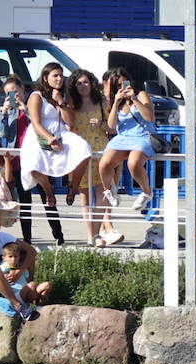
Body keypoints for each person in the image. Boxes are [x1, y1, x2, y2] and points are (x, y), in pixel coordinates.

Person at [20, 63, 90, 238]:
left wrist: (60, 102)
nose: (59, 79)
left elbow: (70, 122)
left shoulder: (64, 96)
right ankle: (48, 189)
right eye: (55, 76)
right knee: (32, 162)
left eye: (60, 75)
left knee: (84, 150)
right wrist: (49, 138)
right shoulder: (36, 96)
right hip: (40, 134)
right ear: (46, 78)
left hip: (61, 133)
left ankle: (72, 187)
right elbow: (36, 123)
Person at [65, 68, 116, 246]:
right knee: (84, 195)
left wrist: (102, 124)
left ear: (91, 83)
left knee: (102, 192)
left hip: (100, 151)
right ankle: (90, 235)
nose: (83, 86)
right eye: (78, 83)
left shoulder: (102, 102)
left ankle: (97, 232)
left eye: (85, 82)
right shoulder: (71, 104)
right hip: (80, 153)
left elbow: (113, 128)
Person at [99, 69, 156, 214]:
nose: (121, 88)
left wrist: (135, 99)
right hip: (123, 137)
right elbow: (111, 125)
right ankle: (109, 190)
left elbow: (149, 117)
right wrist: (116, 101)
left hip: (141, 136)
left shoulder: (140, 95)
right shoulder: (115, 99)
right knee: (104, 163)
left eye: (123, 84)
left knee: (133, 164)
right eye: (117, 85)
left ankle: (146, 192)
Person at [0, 76, 35, 244]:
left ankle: (55, 235)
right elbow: (3, 134)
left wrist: (24, 109)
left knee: (38, 199)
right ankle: (25, 238)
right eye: (9, 94)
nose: (13, 96)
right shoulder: (9, 112)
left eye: (16, 92)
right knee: (21, 199)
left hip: (32, 159)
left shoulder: (32, 105)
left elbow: (38, 125)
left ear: (23, 91)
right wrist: (4, 113)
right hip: (16, 161)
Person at [0, 241, 46, 319]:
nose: (13, 259)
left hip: (24, 292)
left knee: (46, 285)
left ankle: (39, 305)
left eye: (16, 257)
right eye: (10, 257)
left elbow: (27, 278)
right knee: (32, 285)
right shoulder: (4, 267)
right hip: (15, 294)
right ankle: (19, 306)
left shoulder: (21, 269)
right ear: (4, 258)